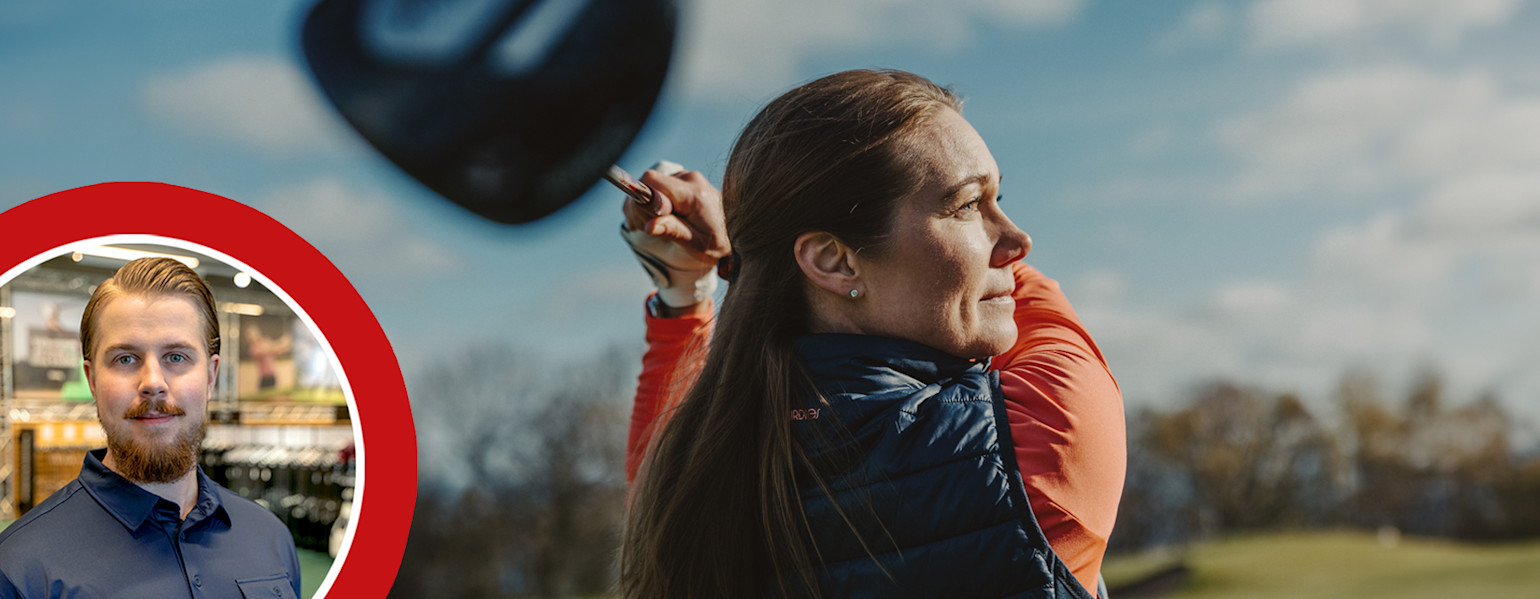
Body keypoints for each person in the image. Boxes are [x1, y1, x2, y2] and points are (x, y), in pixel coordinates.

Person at [619, 69, 1125, 598]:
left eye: (997, 199)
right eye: (968, 206)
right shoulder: (1043, 440)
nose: (1017, 240)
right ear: (833, 261)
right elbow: (1030, 303)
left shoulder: (688, 472)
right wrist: (741, 251)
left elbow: (660, 457)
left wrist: (715, 277)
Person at [0, 257, 301, 599]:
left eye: (176, 357)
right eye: (125, 359)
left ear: (210, 376)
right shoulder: (18, 569)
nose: (153, 383)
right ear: (92, 380)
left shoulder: (271, 539)